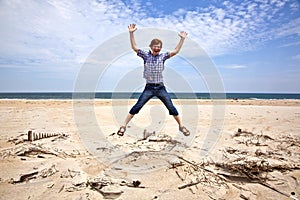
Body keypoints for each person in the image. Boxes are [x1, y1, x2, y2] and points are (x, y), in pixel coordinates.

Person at [117, 23, 190, 136]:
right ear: (151, 47)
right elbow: (134, 48)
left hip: (160, 87)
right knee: (138, 106)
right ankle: (123, 126)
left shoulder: (163, 56)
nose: (157, 48)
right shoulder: (146, 56)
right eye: (155, 46)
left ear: (160, 48)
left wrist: (182, 39)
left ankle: (181, 126)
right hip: (149, 88)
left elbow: (175, 51)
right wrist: (131, 33)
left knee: (171, 107)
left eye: (159, 46)